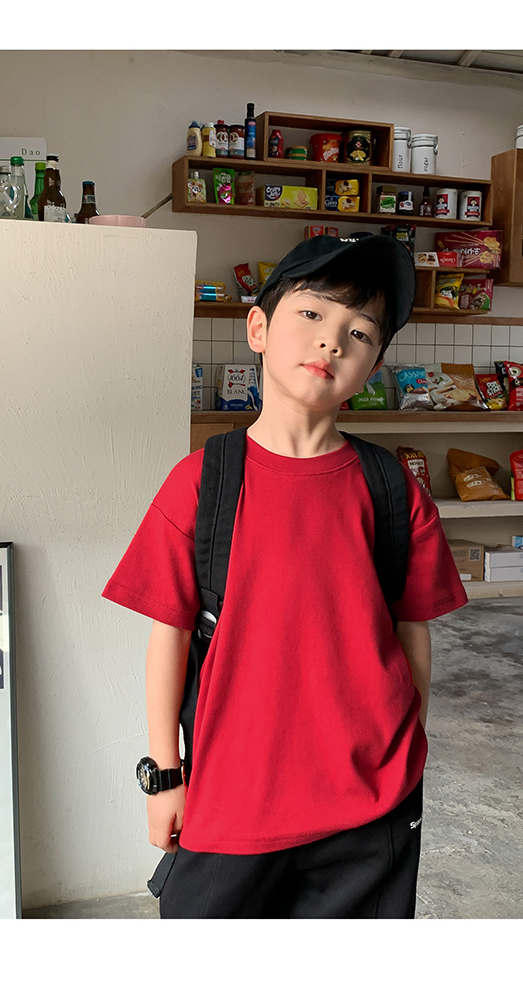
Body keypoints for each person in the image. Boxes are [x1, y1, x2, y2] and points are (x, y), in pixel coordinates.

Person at [101, 235, 469, 918]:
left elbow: (411, 630)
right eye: (313, 313)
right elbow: (169, 635)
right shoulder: (203, 483)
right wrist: (164, 776)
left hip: (372, 810)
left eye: (360, 332)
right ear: (259, 329)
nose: (332, 340)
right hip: (233, 803)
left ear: (372, 366)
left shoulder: (393, 489)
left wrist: (406, 749)